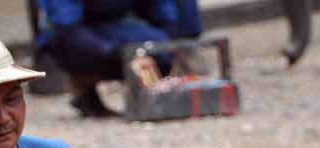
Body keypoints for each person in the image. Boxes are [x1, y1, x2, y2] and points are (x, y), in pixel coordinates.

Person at [34, 0, 203, 116]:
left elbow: (159, 10)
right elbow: (66, 30)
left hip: (112, 25)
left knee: (161, 49)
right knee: (77, 44)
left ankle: (151, 96)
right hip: (69, 34)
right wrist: (115, 53)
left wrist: (169, 45)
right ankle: (84, 86)